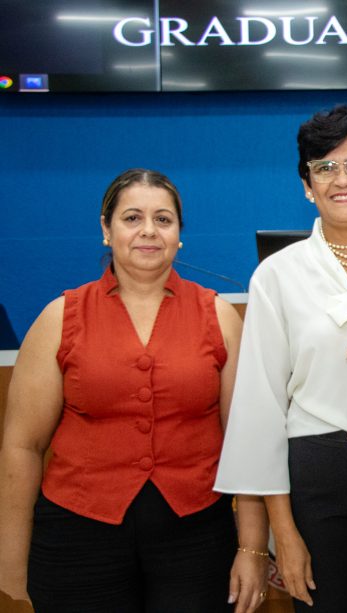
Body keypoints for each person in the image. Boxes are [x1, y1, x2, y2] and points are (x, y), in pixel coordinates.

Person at [0, 168, 269, 612]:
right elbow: (22, 446)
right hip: (76, 538)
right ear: (106, 230)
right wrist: (11, 559)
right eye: (131, 218)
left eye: (163, 219)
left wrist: (254, 547)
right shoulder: (59, 316)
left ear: (180, 234)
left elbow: (247, 445)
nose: (149, 230)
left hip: (196, 538)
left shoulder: (218, 317)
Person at [214, 105, 347, 612]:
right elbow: (261, 412)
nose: (342, 179)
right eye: (324, 167)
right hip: (318, 472)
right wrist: (281, 531)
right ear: (307, 184)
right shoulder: (277, 276)